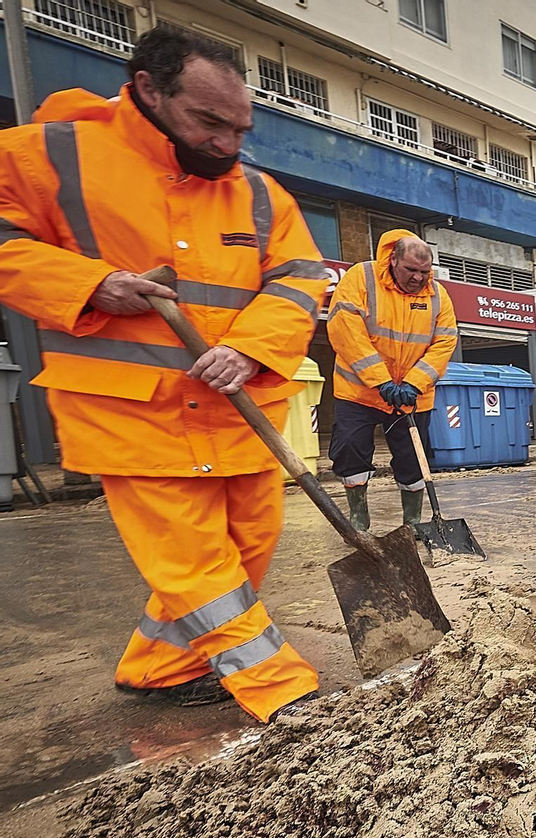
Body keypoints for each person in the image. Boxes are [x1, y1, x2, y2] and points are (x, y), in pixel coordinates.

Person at [0, 26, 327, 721]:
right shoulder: (52, 155)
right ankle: (283, 690)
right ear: (149, 90)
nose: (229, 145)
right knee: (197, 565)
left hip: (237, 407)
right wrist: (88, 284)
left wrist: (251, 346)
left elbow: (300, 280)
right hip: (130, 410)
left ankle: (159, 666)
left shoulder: (261, 196)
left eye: (240, 127)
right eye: (208, 123)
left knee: (250, 545)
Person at [327, 230, 457, 532]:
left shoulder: (438, 295)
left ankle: (411, 524)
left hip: (412, 396)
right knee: (350, 450)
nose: (418, 278)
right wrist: (381, 381)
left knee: (413, 459)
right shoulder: (362, 278)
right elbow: (346, 331)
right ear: (393, 259)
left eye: (425, 272)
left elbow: (444, 343)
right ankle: (359, 518)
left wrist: (413, 384)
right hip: (359, 392)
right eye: (410, 270)